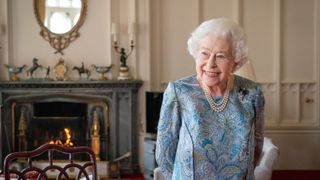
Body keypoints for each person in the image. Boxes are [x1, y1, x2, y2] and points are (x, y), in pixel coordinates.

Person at [155, 18, 265, 179]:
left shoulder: (252, 93)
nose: (210, 63)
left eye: (220, 56)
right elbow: (164, 154)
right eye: (204, 53)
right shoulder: (179, 92)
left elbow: (256, 147)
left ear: (235, 62)